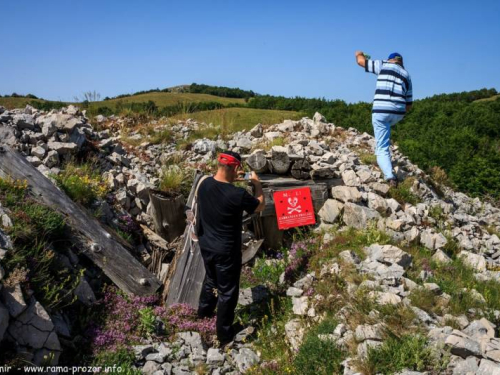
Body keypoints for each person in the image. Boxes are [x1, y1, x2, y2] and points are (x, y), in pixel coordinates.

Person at [196, 150, 265, 347]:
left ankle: (203, 315)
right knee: (227, 291)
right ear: (235, 168)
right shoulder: (238, 194)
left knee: (211, 280)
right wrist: (257, 184)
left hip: (206, 245)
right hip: (226, 250)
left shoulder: (204, 184)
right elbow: (259, 206)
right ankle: (224, 335)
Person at [355, 51, 413, 186]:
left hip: (381, 111)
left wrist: (359, 54)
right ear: (401, 62)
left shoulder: (383, 64)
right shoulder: (406, 75)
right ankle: (389, 142)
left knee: (381, 146)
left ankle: (390, 177)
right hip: (398, 113)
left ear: (390, 60)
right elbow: (409, 104)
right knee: (387, 125)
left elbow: (360, 62)